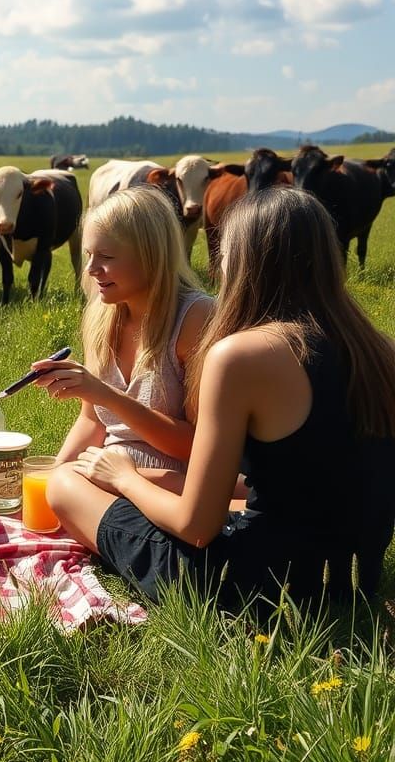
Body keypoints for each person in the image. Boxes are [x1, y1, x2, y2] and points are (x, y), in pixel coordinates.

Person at [50, 187, 395, 605]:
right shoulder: (379, 348)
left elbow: (196, 526)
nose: (217, 266)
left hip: (251, 585)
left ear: (251, 261)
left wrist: (124, 477)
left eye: (224, 250)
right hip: (348, 576)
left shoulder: (240, 356)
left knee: (65, 486)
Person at [30, 185, 213, 471]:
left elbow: (197, 447)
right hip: (105, 475)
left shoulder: (196, 317)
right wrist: (48, 479)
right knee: (57, 483)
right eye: (88, 254)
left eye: (106, 256)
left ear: (151, 255)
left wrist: (105, 394)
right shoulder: (101, 315)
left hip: (177, 487)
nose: (90, 269)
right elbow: (91, 422)